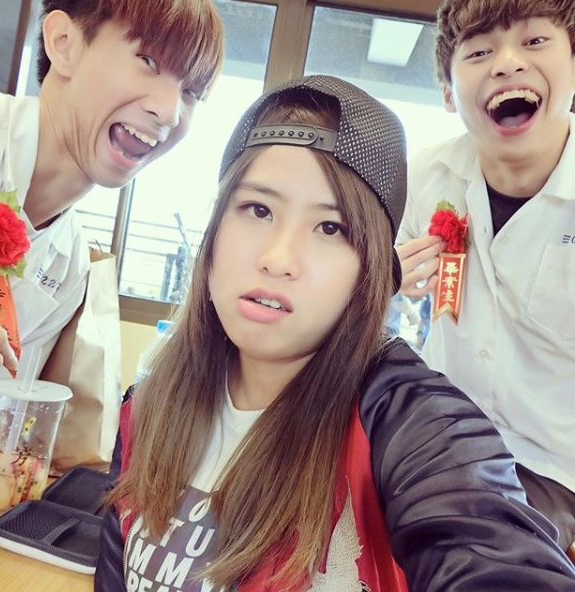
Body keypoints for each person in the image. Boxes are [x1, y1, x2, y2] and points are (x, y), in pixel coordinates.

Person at [95, 76, 575, 592]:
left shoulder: (407, 423)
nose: (278, 258)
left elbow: (497, 555)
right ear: (213, 234)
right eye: (258, 210)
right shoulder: (147, 409)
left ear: (370, 271)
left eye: (330, 228)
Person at [396, 0, 575, 556]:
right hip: (436, 432)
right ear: (449, 94)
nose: (507, 63)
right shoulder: (425, 176)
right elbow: (359, 287)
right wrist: (385, 277)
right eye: (478, 52)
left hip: (552, 467)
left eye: (535, 41)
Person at [0, 0, 224, 394]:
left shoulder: (70, 266)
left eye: (191, 91)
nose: (170, 113)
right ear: (64, 43)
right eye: (147, 60)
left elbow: (5, 405)